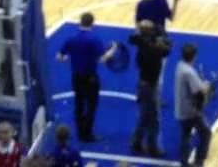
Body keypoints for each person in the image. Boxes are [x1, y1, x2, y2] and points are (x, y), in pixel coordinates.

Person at [59, 12, 116, 142]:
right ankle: (87, 133)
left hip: (76, 76)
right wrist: (112, 51)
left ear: (80, 22)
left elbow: (60, 57)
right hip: (90, 77)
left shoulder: (71, 38)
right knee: (91, 105)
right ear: (92, 23)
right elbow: (102, 59)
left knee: (79, 104)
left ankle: (80, 132)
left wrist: (72, 58)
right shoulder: (94, 39)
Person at [130, 19, 173, 157]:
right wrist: (163, 36)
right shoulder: (152, 49)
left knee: (144, 116)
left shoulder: (141, 43)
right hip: (149, 87)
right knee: (154, 119)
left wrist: (155, 36)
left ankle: (136, 142)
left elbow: (135, 37)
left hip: (143, 84)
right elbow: (167, 50)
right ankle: (153, 148)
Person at [174, 42, 213, 167]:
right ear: (194, 56)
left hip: (180, 108)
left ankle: (184, 162)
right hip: (191, 111)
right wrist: (206, 86)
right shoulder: (189, 72)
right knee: (206, 133)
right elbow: (198, 90)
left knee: (185, 135)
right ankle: (199, 162)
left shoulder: (180, 66)